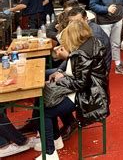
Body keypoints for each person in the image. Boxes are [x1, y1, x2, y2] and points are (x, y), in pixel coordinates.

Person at [30, 20, 109, 159]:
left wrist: (60, 79)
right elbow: (80, 74)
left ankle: (50, 153)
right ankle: (55, 141)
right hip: (90, 91)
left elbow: (80, 83)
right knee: (42, 100)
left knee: (44, 110)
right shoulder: (91, 43)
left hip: (87, 96)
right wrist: (62, 74)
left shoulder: (82, 53)